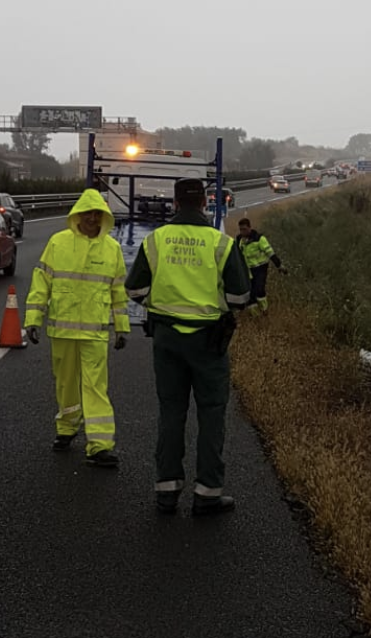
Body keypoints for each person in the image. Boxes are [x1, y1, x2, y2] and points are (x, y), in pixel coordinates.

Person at [125, 178, 251, 516]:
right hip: (209, 341)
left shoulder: (156, 240)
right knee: (211, 414)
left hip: (167, 338)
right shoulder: (221, 243)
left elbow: (134, 290)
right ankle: (207, 494)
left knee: (171, 412)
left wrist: (162, 306)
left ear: (176, 204)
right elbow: (240, 297)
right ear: (205, 204)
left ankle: (167, 492)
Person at [24, 188, 129, 468]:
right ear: (77, 215)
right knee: (65, 383)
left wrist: (122, 327)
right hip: (63, 330)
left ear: (104, 217)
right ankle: (67, 428)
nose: (92, 218)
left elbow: (118, 292)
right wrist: (33, 319)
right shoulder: (58, 243)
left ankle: (100, 445)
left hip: (95, 332)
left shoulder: (112, 249)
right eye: (87, 213)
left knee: (96, 388)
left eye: (97, 214)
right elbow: (41, 282)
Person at [236, 217, 287, 315]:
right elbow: (237, 254)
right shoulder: (239, 239)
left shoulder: (259, 239)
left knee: (259, 289)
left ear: (250, 227)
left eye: (244, 229)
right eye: (240, 229)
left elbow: (270, 253)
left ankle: (264, 310)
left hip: (260, 268)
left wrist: (279, 265)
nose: (242, 232)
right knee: (249, 293)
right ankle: (255, 315)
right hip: (247, 270)